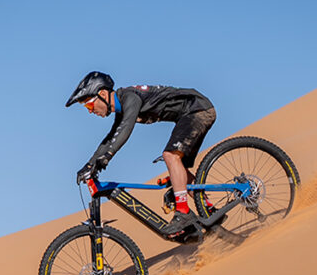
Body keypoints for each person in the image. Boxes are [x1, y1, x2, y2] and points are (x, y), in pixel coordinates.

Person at [66, 71, 216, 235]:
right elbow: (111, 138)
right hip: (190, 114)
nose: (90, 111)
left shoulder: (130, 97)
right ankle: (210, 211)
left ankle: (183, 212)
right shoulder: (122, 106)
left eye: (89, 105)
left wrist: (107, 157)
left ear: (102, 94)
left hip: (197, 109)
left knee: (170, 156)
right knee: (178, 169)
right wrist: (89, 164)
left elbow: (125, 129)